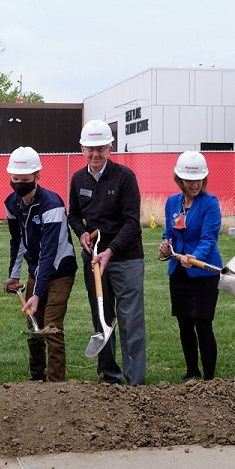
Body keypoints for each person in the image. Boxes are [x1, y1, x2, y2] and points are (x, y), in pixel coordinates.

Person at [68, 119, 147, 385]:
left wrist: (111, 250)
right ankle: (109, 376)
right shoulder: (78, 178)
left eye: (101, 148)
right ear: (82, 149)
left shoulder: (125, 177)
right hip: (94, 260)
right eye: (90, 149)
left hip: (126, 258)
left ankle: (135, 380)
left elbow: (131, 222)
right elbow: (74, 215)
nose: (95, 154)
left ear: (110, 148)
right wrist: (81, 233)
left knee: (130, 319)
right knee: (102, 317)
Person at [3, 146, 78, 382]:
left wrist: (36, 293)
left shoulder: (52, 204)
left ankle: (56, 385)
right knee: (34, 326)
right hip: (37, 269)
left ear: (37, 176)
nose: (19, 184)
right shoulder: (11, 203)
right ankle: (37, 379)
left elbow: (49, 252)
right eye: (15, 179)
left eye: (25, 180)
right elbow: (18, 240)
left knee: (52, 327)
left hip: (60, 270)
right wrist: (14, 275)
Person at [157, 151, 223, 381]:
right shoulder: (172, 202)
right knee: (184, 324)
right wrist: (166, 246)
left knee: (202, 324)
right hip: (179, 273)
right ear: (180, 179)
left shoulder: (210, 203)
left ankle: (209, 379)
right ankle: (191, 373)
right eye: (189, 180)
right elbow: (169, 233)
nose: (195, 184)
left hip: (204, 271)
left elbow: (209, 239)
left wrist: (193, 257)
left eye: (198, 179)